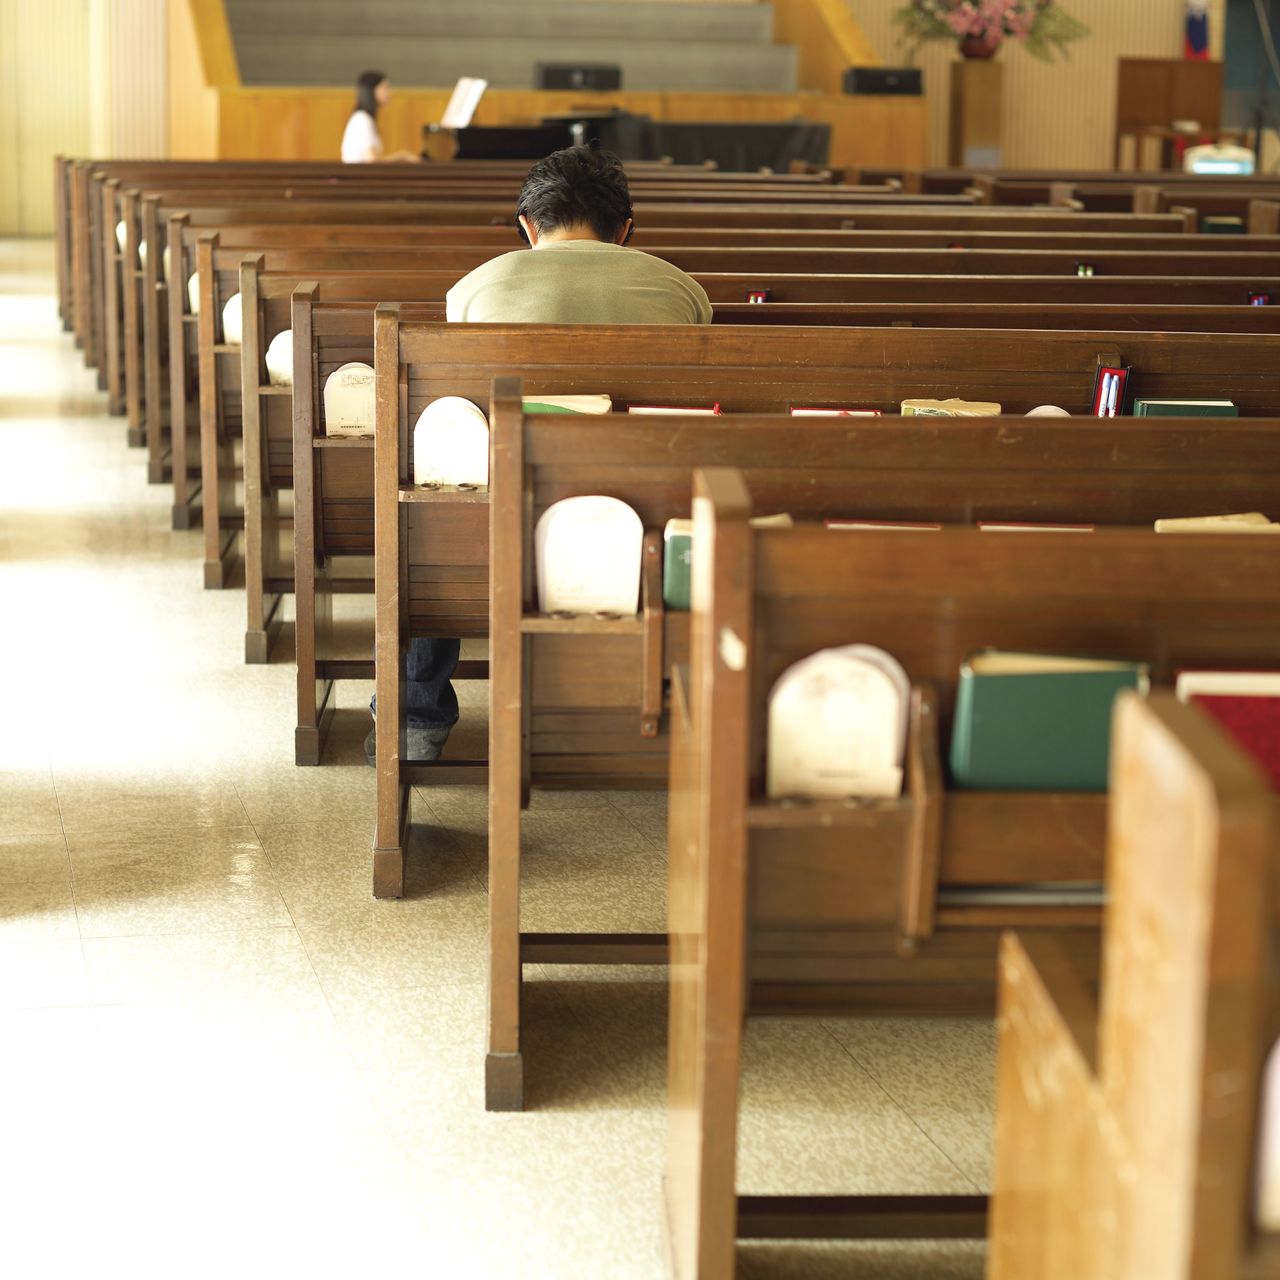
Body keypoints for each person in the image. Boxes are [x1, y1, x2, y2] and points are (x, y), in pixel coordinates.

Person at [369, 145, 712, 765]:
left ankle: (414, 718)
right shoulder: (681, 290)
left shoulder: (474, 289)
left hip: (496, 521)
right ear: (625, 229)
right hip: (644, 522)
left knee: (431, 514)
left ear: (529, 225)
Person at [341, 71, 419, 164]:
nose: (389, 93)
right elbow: (372, 160)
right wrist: (402, 156)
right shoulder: (362, 119)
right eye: (386, 88)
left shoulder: (365, 118)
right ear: (373, 90)